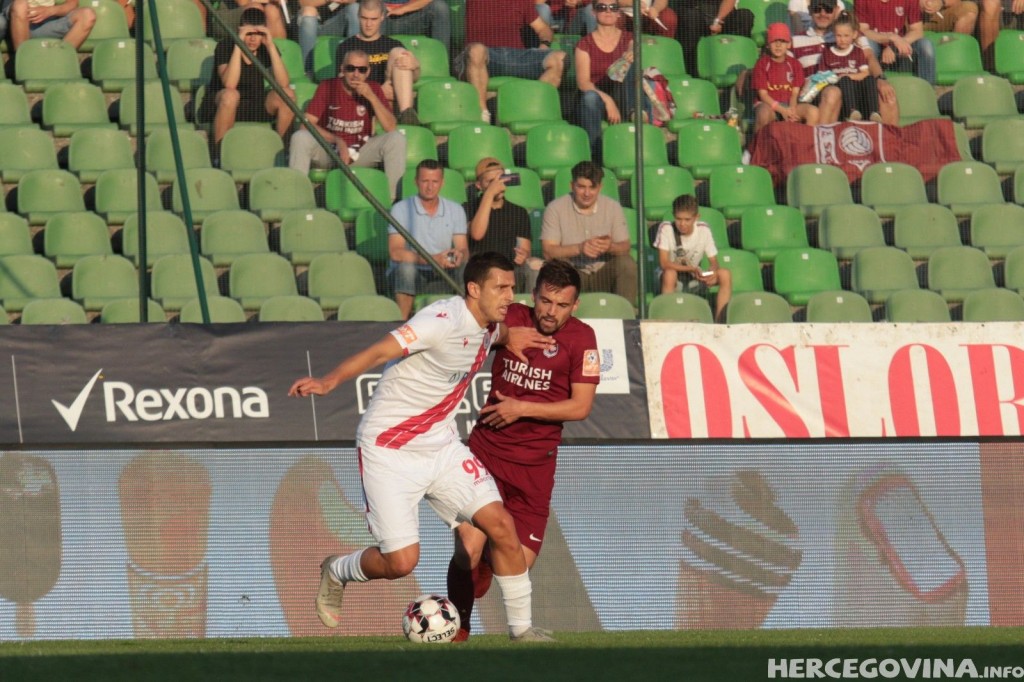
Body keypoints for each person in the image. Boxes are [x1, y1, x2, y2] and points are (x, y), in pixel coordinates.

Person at [288, 251, 555, 644]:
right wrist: (329, 382)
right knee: (401, 562)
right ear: (473, 289)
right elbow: (381, 350)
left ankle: (522, 631)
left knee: (500, 524)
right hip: (389, 449)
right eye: (500, 288)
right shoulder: (440, 321)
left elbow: (495, 335)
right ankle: (337, 569)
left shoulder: (489, 326)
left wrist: (508, 335)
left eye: (512, 287)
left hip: (441, 445)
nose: (509, 296)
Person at [446, 258, 600, 641]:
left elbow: (580, 407)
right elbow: (463, 327)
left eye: (561, 305)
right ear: (534, 295)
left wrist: (521, 408)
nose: (551, 312)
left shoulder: (583, 339)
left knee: (515, 565)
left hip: (534, 469)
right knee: (468, 546)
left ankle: (487, 565)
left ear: (575, 305)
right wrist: (502, 335)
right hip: (485, 455)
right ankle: (456, 628)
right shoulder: (512, 316)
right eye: (545, 301)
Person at [288, 48, 406, 200]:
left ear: (368, 72)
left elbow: (390, 127)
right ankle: (297, 199)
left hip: (360, 151)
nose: (356, 74)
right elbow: (306, 124)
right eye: (351, 68)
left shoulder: (374, 89)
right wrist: (337, 140)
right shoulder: (328, 86)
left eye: (361, 70)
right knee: (299, 137)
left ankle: (393, 201)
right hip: (329, 151)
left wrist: (371, 97)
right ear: (342, 69)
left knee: (397, 139)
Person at [541, 161, 637, 305]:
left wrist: (610, 247)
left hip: (604, 273)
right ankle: (561, 314)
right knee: (558, 265)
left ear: (600, 187)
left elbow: (625, 246)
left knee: (626, 263)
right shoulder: (555, 208)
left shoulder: (613, 207)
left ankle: (625, 313)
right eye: (581, 187)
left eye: (592, 187)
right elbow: (548, 251)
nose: (587, 193)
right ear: (572, 185)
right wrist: (579, 248)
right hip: (573, 273)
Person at [789, 0, 899, 125]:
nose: (822, 13)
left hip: (853, 90)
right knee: (833, 92)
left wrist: (880, 79)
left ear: (836, 10)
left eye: (828, 9)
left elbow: (869, 56)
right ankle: (823, 136)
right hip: (816, 94)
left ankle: (888, 136)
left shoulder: (848, 34)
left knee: (887, 94)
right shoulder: (796, 40)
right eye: (817, 9)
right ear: (809, 10)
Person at [198, 8, 295, 148]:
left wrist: (270, 46)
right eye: (249, 33)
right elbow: (229, 84)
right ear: (240, 31)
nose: (253, 39)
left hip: (253, 104)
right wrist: (238, 45)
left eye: (258, 34)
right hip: (221, 105)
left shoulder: (265, 48)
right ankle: (219, 153)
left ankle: (284, 152)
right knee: (231, 96)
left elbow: (283, 83)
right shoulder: (225, 46)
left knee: (288, 95)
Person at [458, 0, 566, 122]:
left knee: (560, 58)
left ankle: (527, 111)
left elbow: (543, 28)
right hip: (487, 54)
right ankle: (482, 115)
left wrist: (544, 45)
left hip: (515, 56)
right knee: (476, 50)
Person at [388, 159, 469, 319]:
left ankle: (466, 319)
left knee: (467, 267)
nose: (430, 187)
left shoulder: (455, 209)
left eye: (435, 182)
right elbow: (396, 252)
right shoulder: (401, 209)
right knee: (406, 269)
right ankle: (401, 322)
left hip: (445, 270)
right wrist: (433, 259)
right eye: (425, 181)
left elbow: (463, 248)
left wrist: (458, 256)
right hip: (414, 271)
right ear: (416, 182)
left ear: (442, 183)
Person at [335, 0, 421, 126]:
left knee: (399, 53)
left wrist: (415, 66)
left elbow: (412, 78)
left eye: (373, 19)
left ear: (382, 17)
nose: (368, 24)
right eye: (364, 18)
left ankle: (407, 115)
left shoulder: (392, 44)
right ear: (358, 16)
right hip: (362, 104)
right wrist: (378, 91)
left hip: (392, 103)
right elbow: (342, 86)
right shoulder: (346, 47)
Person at [574, 1, 639, 163]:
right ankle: (595, 156)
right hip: (597, 97)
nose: (608, 11)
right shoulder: (584, 44)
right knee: (590, 97)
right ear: (593, 12)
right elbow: (583, 83)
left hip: (623, 94)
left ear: (619, 13)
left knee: (630, 64)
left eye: (613, 7)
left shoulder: (629, 38)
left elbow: (634, 47)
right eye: (602, 7)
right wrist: (608, 100)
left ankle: (634, 116)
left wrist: (632, 52)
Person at [465, 157, 541, 294]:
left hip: (510, 269)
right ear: (479, 185)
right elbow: (477, 233)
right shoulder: (468, 208)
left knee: (534, 268)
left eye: (500, 179)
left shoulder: (518, 212)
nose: (497, 185)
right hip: (481, 271)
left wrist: (523, 255)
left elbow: (525, 248)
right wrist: (489, 194)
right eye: (490, 182)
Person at [652, 194, 733, 322]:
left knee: (725, 274)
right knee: (670, 274)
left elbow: (714, 261)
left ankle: (720, 323)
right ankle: (668, 321)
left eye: (687, 220)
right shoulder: (666, 228)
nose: (682, 224)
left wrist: (712, 272)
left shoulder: (703, 230)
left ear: (696, 217)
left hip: (693, 276)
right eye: (678, 219)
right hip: (669, 277)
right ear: (673, 215)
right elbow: (664, 263)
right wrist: (692, 269)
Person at [751, 23, 819, 134]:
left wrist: (791, 110)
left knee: (813, 112)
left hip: (789, 104)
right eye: (774, 41)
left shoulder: (795, 64)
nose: (778, 45)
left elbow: (794, 93)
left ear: (789, 44)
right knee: (763, 113)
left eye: (782, 41)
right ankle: (758, 143)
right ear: (768, 44)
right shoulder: (762, 64)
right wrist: (782, 110)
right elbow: (763, 95)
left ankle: (807, 143)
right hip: (769, 105)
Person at [673, 0, 755, 83]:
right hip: (694, 14)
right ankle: (693, 73)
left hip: (721, 17)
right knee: (691, 17)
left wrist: (717, 21)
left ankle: (739, 71)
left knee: (745, 16)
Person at [820, 10, 880, 121]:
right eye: (839, 36)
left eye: (846, 36)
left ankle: (874, 113)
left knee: (870, 79)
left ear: (854, 34)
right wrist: (839, 78)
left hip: (857, 87)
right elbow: (822, 75)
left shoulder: (857, 51)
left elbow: (865, 73)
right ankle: (852, 112)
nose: (842, 39)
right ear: (834, 35)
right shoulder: (827, 52)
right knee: (845, 81)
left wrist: (849, 76)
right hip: (840, 89)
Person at [856, 0, 936, 84]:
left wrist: (895, 45)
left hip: (900, 49)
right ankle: (871, 87)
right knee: (867, 44)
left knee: (926, 45)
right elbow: (863, 31)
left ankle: (927, 89)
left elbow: (917, 31)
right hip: (877, 47)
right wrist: (891, 37)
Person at [342, 0, 451, 53]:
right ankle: (368, 66)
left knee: (440, 7)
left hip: (411, 16)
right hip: (383, 16)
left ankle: (442, 63)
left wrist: (403, 9)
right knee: (371, 12)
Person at [4, 0, 95, 51]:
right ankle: (23, 62)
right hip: (16, 23)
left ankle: (58, 61)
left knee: (87, 15)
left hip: (47, 23)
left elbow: (72, 4)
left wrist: (50, 11)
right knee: (20, 5)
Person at [298, 0, 355, 70]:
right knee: (309, 11)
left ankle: (356, 63)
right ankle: (308, 70)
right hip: (308, 24)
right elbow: (302, 3)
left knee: (354, 8)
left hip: (336, 23)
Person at [207, 0, 289, 42]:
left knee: (272, 10)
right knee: (254, 10)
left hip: (264, 11)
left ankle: (279, 59)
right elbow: (243, 2)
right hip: (224, 18)